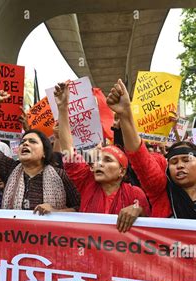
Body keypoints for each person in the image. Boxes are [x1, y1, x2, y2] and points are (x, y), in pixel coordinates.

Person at [107, 79, 196, 220]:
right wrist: (125, 114)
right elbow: (140, 158)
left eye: (186, 160)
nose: (180, 165)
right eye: (174, 162)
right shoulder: (161, 194)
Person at [54, 81, 150, 232]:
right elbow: (69, 152)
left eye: (108, 160)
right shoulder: (87, 182)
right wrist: (62, 108)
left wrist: (137, 209)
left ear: (122, 171)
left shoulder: (135, 194)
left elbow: (149, 217)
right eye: (98, 159)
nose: (99, 163)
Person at [0, 88, 80, 215]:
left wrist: (56, 212)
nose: (25, 143)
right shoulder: (9, 169)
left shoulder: (60, 175)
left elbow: (80, 207)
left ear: (45, 152)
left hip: (49, 234)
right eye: (23, 142)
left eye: (32, 141)